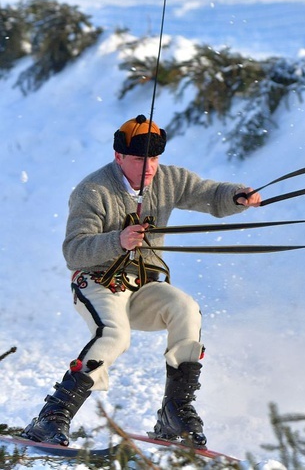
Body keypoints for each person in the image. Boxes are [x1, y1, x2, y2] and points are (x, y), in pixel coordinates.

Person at [21, 114, 261, 449]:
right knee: (114, 335)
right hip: (97, 282)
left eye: (154, 159)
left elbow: (206, 192)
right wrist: (117, 241)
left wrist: (236, 195)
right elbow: (73, 252)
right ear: (119, 156)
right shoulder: (92, 191)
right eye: (138, 159)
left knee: (186, 309)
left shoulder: (168, 179)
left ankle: (174, 412)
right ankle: (51, 416)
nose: (148, 167)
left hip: (144, 286)